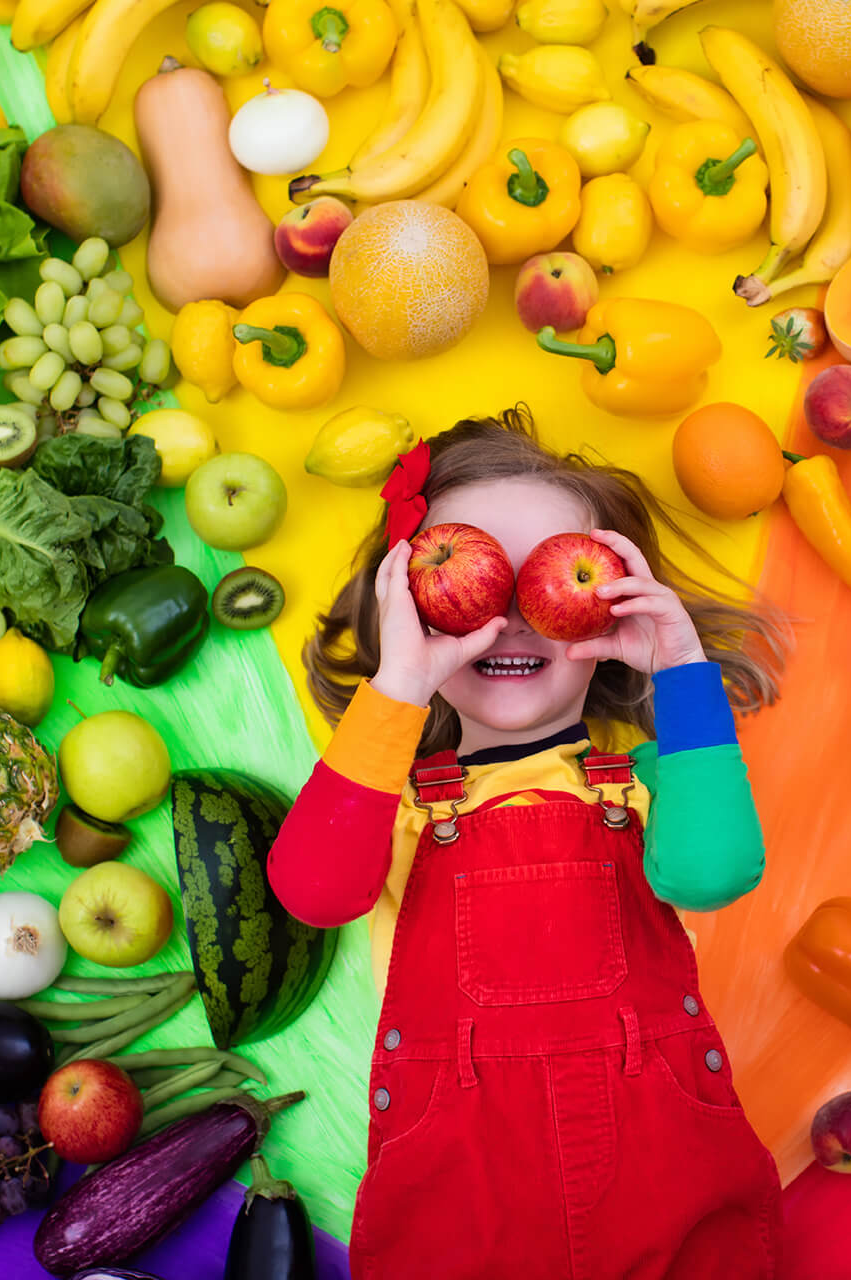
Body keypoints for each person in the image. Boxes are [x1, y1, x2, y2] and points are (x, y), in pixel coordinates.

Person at [269, 407, 789, 1278]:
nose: (508, 619)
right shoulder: (385, 802)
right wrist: (399, 683)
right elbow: (314, 890)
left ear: (611, 609)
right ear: (407, 604)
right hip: (460, 1207)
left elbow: (712, 872)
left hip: (668, 1192)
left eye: (552, 580)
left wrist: (680, 670)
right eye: (470, 579)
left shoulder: (650, 779)